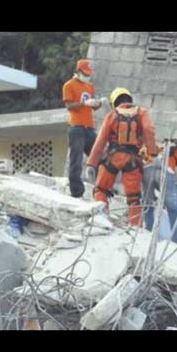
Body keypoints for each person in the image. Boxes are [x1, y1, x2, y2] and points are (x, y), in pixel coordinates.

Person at [85, 88, 158, 226]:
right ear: (129, 99)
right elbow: (149, 130)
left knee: (101, 189)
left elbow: (101, 141)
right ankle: (136, 227)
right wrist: (152, 153)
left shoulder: (112, 115)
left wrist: (91, 164)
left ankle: (101, 220)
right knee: (134, 197)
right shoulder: (142, 113)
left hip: (113, 157)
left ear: (114, 102)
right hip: (133, 160)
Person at [62, 59, 101, 198]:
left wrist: (98, 103)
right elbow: (69, 106)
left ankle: (102, 188)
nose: (87, 76)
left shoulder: (90, 86)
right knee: (76, 161)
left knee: (99, 157)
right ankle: (77, 192)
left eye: (89, 73)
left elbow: (93, 107)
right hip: (76, 127)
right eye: (85, 73)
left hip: (89, 127)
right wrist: (84, 103)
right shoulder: (69, 85)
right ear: (78, 71)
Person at [141, 137, 177, 242]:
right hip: (166, 171)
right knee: (174, 209)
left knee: (148, 205)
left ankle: (148, 235)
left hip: (147, 169)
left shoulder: (161, 146)